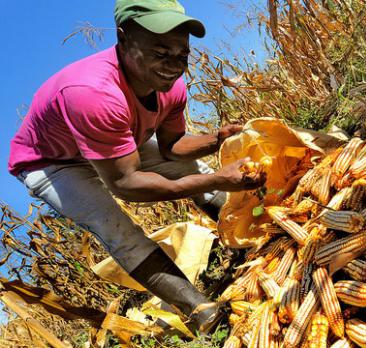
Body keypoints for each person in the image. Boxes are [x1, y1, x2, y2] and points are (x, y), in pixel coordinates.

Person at [7, 0, 263, 333]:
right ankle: (200, 310)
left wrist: (218, 138)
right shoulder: (93, 94)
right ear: (124, 39)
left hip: (113, 137)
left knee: (192, 168)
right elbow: (127, 184)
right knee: (117, 230)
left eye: (181, 55)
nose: (173, 66)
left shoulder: (169, 85)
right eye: (160, 53)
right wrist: (217, 179)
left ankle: (254, 236)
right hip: (53, 162)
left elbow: (173, 148)